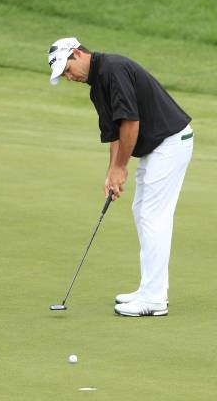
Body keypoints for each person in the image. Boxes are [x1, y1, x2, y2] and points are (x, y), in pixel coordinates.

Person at [48, 37, 193, 317]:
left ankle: (154, 298)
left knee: (153, 216)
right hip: (160, 145)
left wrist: (121, 168)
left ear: (77, 53)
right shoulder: (97, 86)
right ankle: (149, 289)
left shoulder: (113, 69)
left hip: (172, 142)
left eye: (67, 70)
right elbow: (115, 132)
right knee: (143, 211)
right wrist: (111, 172)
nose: (69, 77)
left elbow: (131, 122)